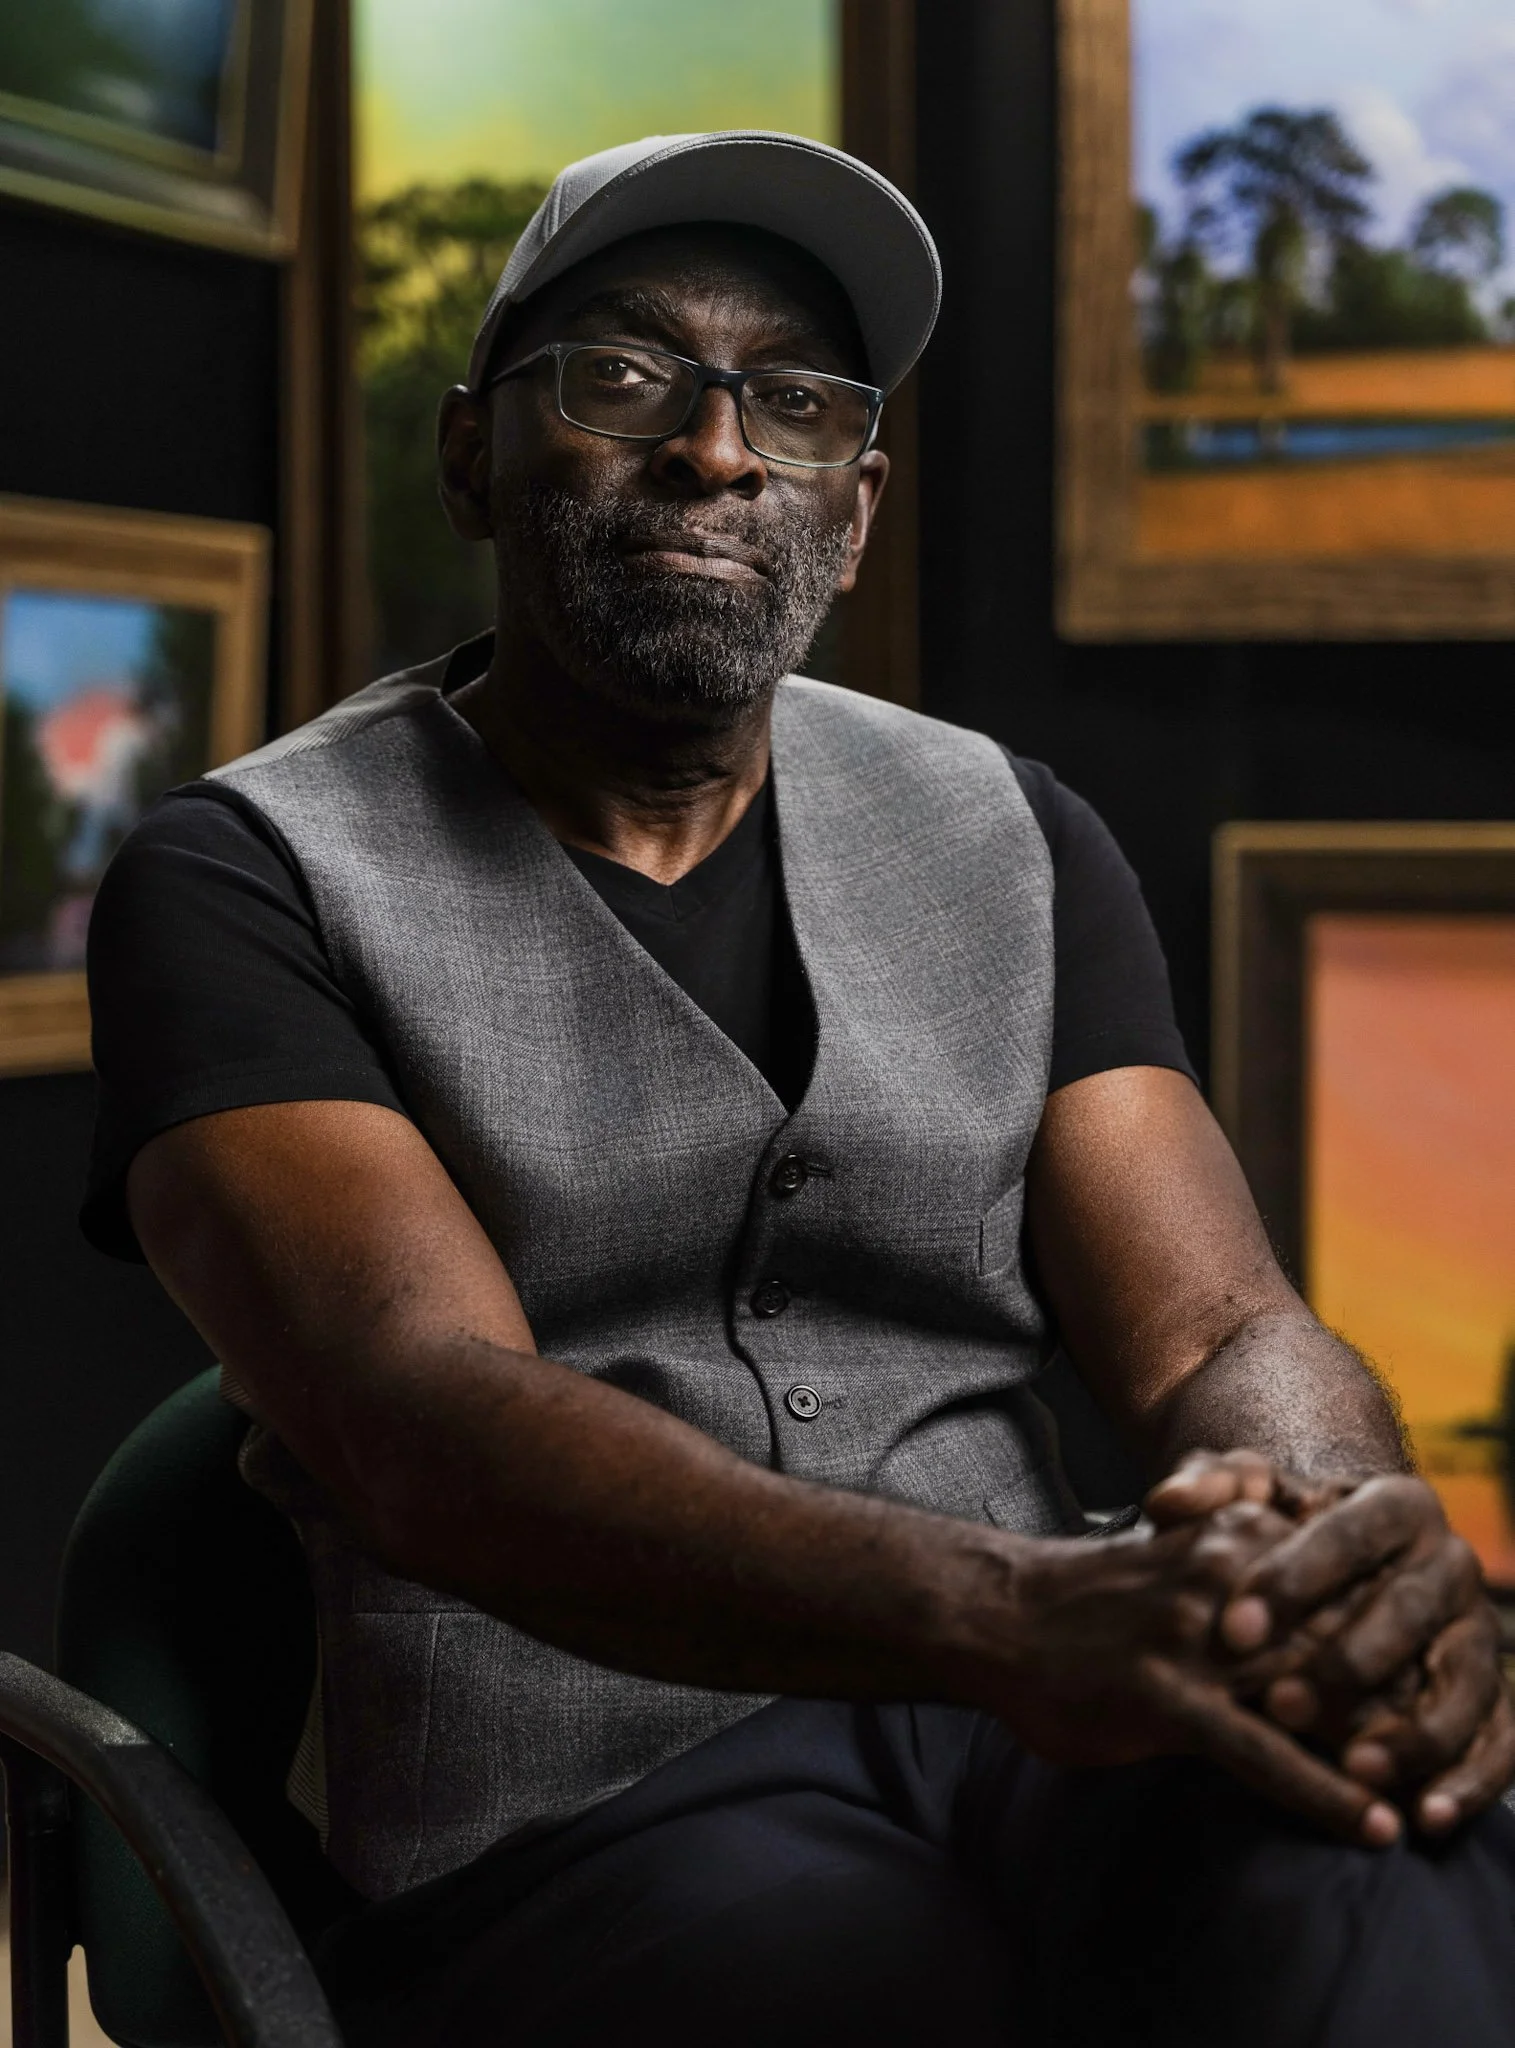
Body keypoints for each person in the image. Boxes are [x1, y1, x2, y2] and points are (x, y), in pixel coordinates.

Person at [85, 132, 1515, 2045]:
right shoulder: (242, 874)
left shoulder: (1006, 828)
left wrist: (1341, 1570)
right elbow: (421, 1419)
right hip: (566, 1810)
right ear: (468, 452)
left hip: (1038, 1728)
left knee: (1383, 1875)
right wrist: (1012, 1616)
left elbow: (1216, 1330)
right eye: (622, 376)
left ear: (850, 507)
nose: (715, 450)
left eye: (799, 403)